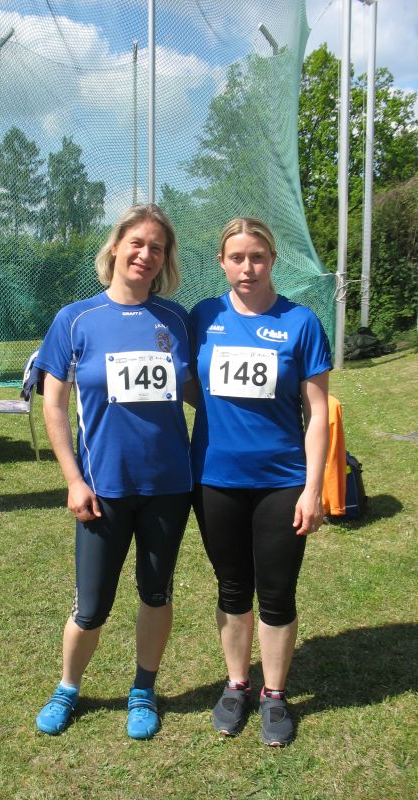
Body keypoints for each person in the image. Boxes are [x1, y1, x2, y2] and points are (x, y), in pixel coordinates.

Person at [34, 204, 192, 740]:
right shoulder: (75, 319)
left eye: (157, 248)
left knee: (156, 593)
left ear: (165, 259)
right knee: (91, 604)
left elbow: (196, 390)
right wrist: (73, 479)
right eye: (137, 243)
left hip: (168, 486)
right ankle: (68, 687)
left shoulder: (176, 321)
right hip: (103, 488)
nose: (146, 255)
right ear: (117, 246)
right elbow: (54, 404)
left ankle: (143, 689)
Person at [190, 217, 331, 746]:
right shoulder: (203, 317)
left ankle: (274, 693)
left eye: (257, 257)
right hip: (215, 478)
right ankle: (236, 683)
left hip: (282, 482)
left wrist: (313, 489)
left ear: (272, 260)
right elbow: (189, 384)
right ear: (221, 262)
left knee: (276, 591)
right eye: (236, 258)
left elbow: (318, 413)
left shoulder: (301, 322)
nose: (247, 267)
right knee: (231, 587)